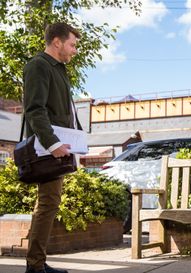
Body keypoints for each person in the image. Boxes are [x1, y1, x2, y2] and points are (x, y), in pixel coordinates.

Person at [23, 22, 82, 273]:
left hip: (58, 147)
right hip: (47, 149)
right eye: (72, 44)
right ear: (57, 42)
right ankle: (35, 267)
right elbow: (35, 110)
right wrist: (53, 143)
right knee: (48, 203)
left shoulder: (59, 70)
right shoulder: (39, 65)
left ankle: (37, 263)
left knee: (48, 203)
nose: (75, 50)